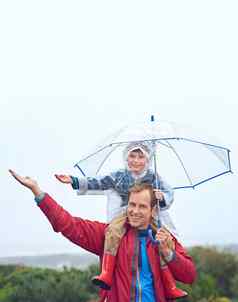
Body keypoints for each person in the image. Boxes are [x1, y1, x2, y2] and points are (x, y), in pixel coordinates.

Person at [9, 170, 196, 302]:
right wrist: (37, 192)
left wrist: (169, 254)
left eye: (142, 206)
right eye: (132, 204)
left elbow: (189, 275)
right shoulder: (109, 234)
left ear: (153, 210)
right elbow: (68, 224)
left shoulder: (164, 238)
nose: (134, 211)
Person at [55, 141, 185, 299]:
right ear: (126, 157)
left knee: (162, 242)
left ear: (148, 159)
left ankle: (170, 286)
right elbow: (99, 182)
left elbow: (169, 193)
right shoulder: (118, 176)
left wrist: (162, 196)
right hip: (124, 215)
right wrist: (75, 181)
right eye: (132, 156)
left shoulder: (154, 177)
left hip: (150, 217)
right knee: (112, 232)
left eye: (140, 157)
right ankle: (107, 273)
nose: (136, 161)